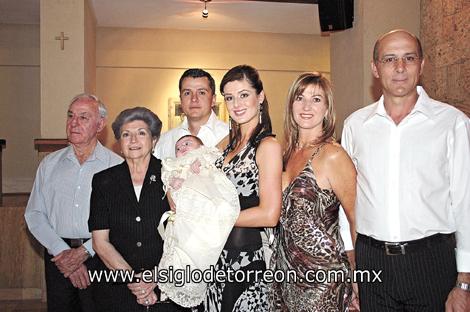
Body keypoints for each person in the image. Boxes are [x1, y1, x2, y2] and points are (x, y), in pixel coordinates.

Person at [342, 29, 470, 311]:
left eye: (409, 58)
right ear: (375, 68)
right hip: (371, 261)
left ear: (422, 65)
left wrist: (464, 282)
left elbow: (465, 204)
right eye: (390, 59)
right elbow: (346, 200)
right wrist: (351, 262)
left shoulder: (452, 123)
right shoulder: (355, 125)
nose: (400, 67)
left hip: (431, 262)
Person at [24, 93, 122, 312]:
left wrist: (84, 252)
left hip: (101, 258)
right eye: (71, 116)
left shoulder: (116, 167)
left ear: (100, 124)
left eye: (83, 117)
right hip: (57, 258)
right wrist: (62, 252)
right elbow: (35, 214)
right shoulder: (49, 164)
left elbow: (120, 219)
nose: (74, 123)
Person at [270, 72, 358, 311]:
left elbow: (357, 219)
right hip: (284, 274)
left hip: (324, 278)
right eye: (300, 98)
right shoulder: (283, 155)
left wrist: (359, 276)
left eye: (316, 99)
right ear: (291, 106)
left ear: (327, 109)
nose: (307, 105)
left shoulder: (332, 155)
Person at [88, 107, 188, 312]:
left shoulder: (174, 177)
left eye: (141, 133)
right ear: (119, 144)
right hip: (117, 289)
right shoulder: (103, 181)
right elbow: (100, 242)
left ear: (154, 141)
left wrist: (155, 279)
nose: (133, 140)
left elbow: (186, 238)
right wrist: (136, 282)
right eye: (126, 134)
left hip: (167, 287)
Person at [200, 64, 283, 312]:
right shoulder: (225, 143)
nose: (236, 103)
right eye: (229, 97)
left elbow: (270, 214)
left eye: (244, 94)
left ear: (260, 96)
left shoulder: (267, 145)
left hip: (246, 261)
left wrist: (216, 218)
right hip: (216, 258)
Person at [157, 134, 240, 308]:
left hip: (203, 208)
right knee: (179, 247)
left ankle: (193, 277)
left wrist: (202, 162)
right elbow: (167, 178)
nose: (182, 149)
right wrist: (173, 181)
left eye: (187, 143)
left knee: (200, 249)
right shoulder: (174, 164)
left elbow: (214, 163)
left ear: (201, 146)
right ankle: (180, 280)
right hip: (183, 217)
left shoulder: (205, 155)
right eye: (178, 148)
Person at [154, 68, 229, 159]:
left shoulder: (230, 137)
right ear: (181, 100)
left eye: (201, 92)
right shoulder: (163, 142)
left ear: (213, 100)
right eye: (187, 93)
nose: (194, 99)